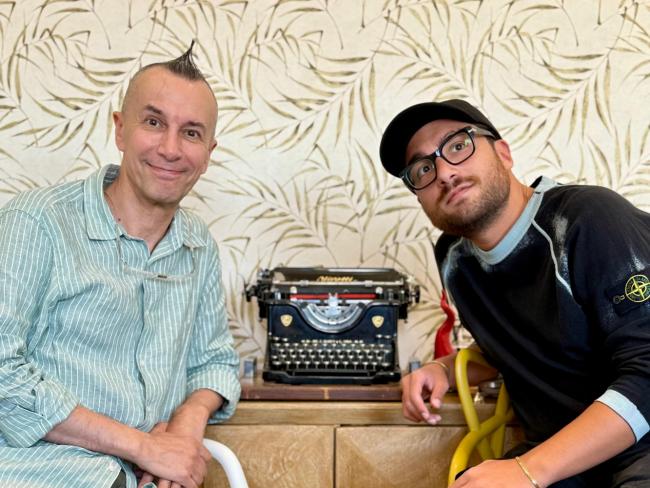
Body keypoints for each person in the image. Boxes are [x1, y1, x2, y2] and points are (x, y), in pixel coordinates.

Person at [0, 44, 240, 488]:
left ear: (208, 152)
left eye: (191, 133)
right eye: (154, 123)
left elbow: (215, 361)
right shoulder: (35, 222)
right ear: (120, 129)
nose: (170, 148)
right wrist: (142, 447)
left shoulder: (198, 244)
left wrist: (186, 427)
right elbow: (2, 374)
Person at [379, 99, 650, 487]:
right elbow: (527, 347)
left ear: (503, 154)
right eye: (422, 168)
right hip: (565, 460)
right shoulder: (455, 260)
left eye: (458, 146)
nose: (444, 173)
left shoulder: (588, 219)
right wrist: (444, 369)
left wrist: (529, 469)